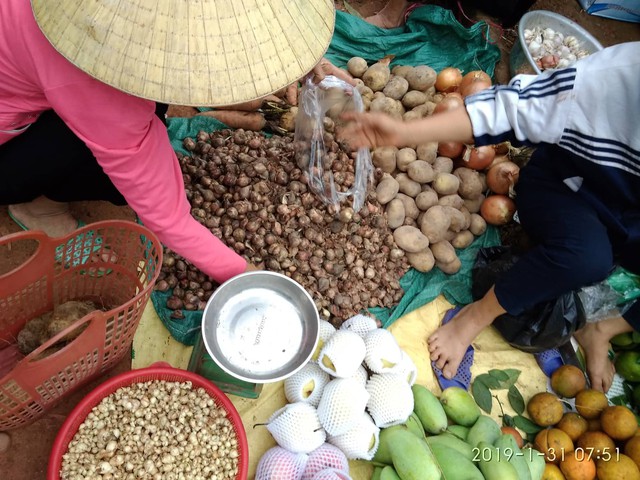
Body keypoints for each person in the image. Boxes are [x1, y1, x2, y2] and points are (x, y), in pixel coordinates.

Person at [340, 41, 640, 392]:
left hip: (630, 219)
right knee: (587, 258)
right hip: (568, 189)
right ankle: (474, 316)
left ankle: (604, 328)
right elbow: (511, 108)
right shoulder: (620, 77)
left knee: (597, 257)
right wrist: (405, 133)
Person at [0, 0, 351, 284]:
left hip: (31, 67)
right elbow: (168, 220)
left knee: (145, 111)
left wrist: (299, 63)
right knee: (113, 176)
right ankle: (35, 206)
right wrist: (246, 276)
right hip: (12, 146)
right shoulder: (95, 93)